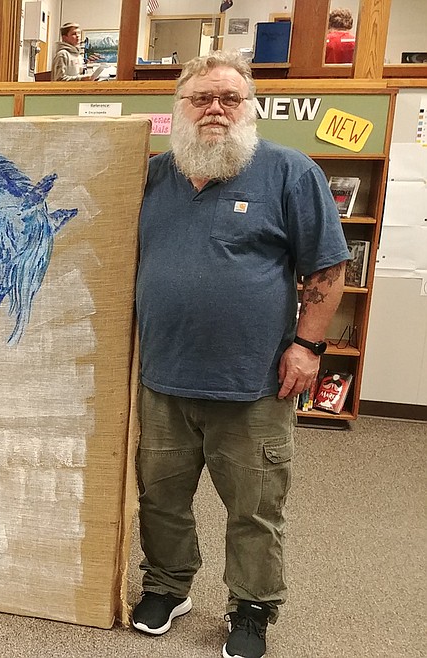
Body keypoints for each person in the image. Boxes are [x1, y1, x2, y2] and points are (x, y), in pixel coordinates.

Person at [132, 52, 348, 658]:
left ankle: (251, 608)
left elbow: (328, 267)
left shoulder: (288, 173)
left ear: (250, 107)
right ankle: (168, 585)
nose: (216, 110)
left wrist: (307, 346)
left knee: (254, 505)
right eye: (202, 99)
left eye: (230, 98)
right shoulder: (150, 177)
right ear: (179, 109)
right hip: (162, 379)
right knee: (160, 496)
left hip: (254, 382)